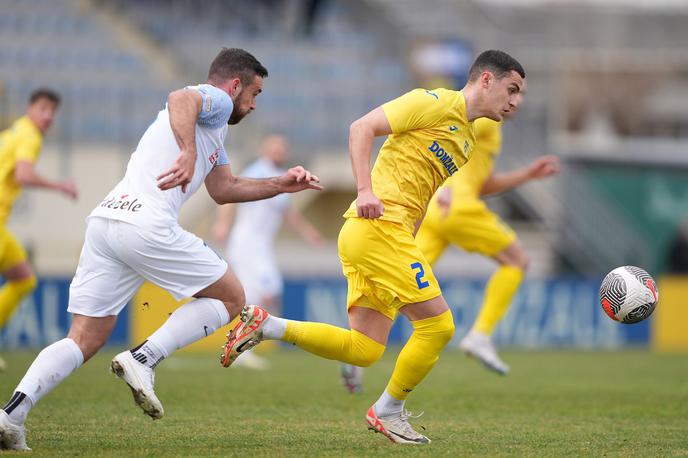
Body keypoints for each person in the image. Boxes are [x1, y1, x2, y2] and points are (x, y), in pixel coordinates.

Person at [0, 48, 321, 451]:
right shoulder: (216, 100)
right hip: (146, 223)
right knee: (233, 297)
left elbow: (224, 190)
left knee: (83, 338)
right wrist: (187, 151)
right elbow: (179, 98)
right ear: (235, 85)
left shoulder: (215, 126)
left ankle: (11, 415)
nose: (255, 105)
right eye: (254, 93)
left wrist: (280, 184)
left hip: (107, 220)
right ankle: (144, 358)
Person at [220, 50, 526, 444]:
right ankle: (388, 411)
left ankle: (267, 325)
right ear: (486, 79)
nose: (516, 101)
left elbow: (422, 193)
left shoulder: (467, 139)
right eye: (511, 89)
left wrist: (410, 241)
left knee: (364, 349)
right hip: (378, 226)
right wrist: (365, 189)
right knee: (438, 326)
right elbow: (360, 128)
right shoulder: (431, 101)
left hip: (385, 236)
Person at [211, 134, 323, 369]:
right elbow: (231, 196)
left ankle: (242, 346)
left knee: (269, 293)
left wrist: (309, 233)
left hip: (261, 247)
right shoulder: (258, 170)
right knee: (255, 295)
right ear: (265, 148)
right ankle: (240, 349)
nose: (280, 150)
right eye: (276, 146)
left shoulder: (279, 177)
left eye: (283, 147)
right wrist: (222, 223)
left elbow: (287, 213)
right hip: (247, 244)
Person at [0, 89, 78, 371]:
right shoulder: (29, 135)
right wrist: (61, 186)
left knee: (24, 279)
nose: (48, 116)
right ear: (29, 107)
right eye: (43, 108)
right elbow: (23, 174)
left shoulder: (15, 131)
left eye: (52, 111)